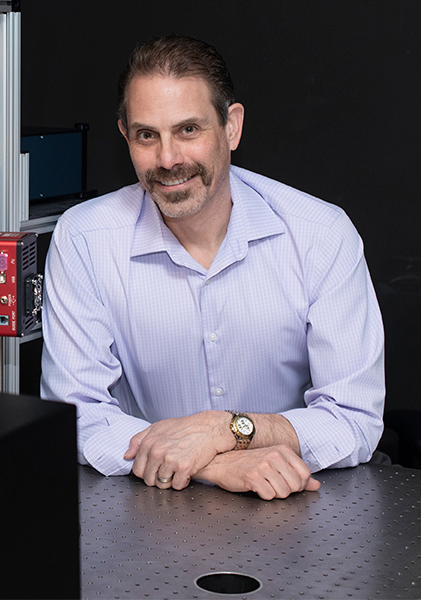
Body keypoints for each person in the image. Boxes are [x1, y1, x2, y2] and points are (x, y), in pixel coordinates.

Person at [40, 35, 385, 501]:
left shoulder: (320, 234)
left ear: (232, 127)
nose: (167, 159)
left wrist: (225, 430)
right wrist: (216, 464)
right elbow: (76, 412)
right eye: (147, 135)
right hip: (147, 513)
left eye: (188, 130)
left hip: (293, 507)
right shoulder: (83, 239)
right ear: (125, 135)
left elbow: (353, 416)